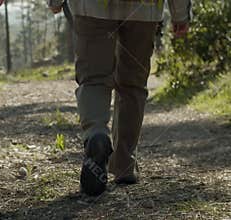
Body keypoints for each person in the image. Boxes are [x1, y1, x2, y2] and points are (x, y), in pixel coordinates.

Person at [49, 0, 191, 196]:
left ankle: (96, 133)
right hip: (144, 10)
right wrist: (180, 14)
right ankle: (124, 164)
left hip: (91, 8)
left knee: (93, 79)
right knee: (132, 85)